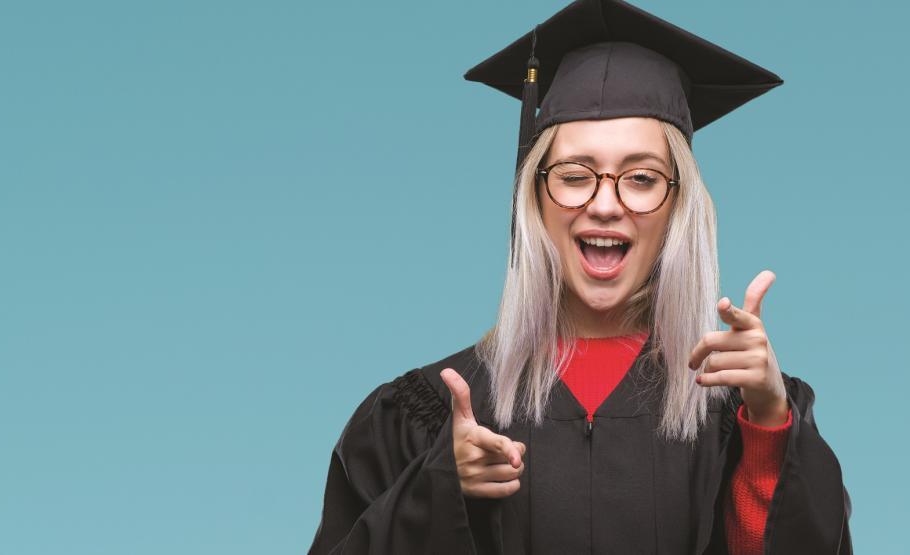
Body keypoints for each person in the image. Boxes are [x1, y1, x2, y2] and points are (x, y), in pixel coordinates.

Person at [308, 1, 852, 553]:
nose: (605, 205)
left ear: (679, 207)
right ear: (535, 197)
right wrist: (438, 490)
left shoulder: (730, 415)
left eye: (641, 178)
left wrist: (766, 426)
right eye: (574, 176)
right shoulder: (425, 415)